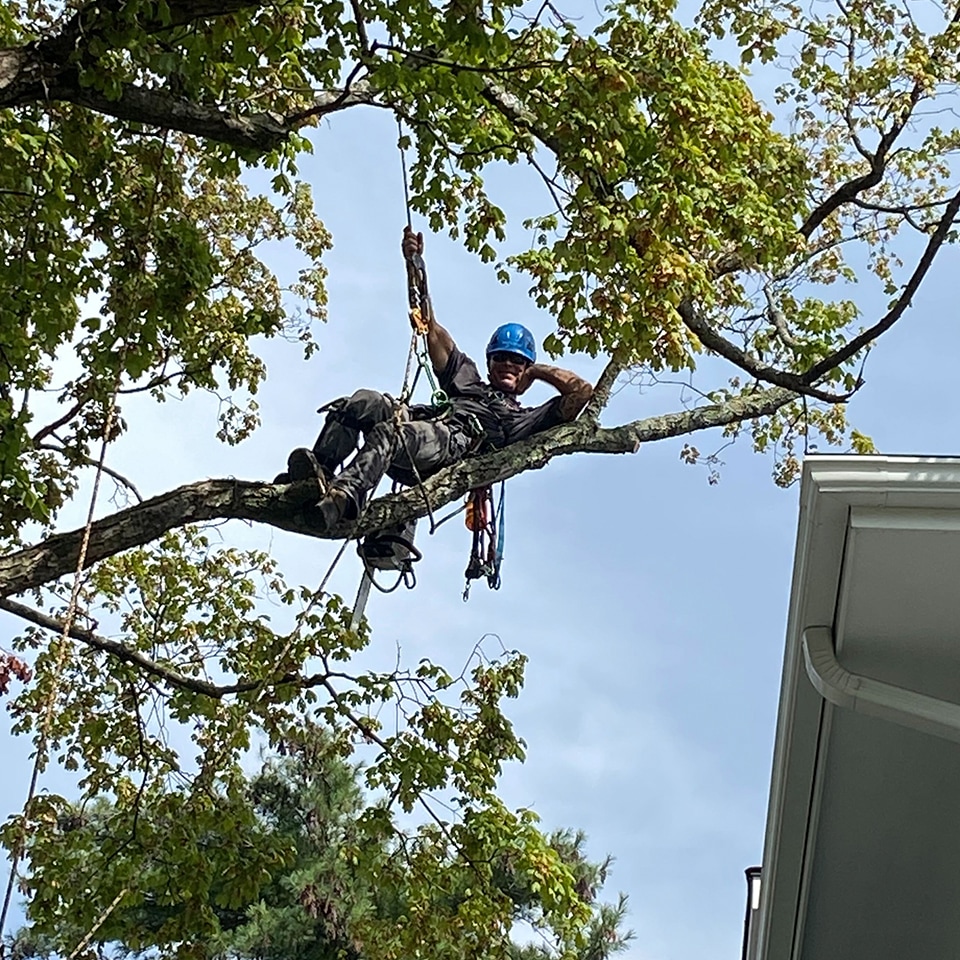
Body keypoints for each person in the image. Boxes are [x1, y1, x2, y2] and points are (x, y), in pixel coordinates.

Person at [275, 229, 594, 526]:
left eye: (518, 361)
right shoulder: (467, 380)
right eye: (502, 358)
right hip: (420, 428)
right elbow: (428, 324)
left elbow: (581, 394)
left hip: (444, 448)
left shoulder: (521, 419)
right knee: (361, 402)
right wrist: (414, 264)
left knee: (391, 433)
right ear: (490, 362)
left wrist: (536, 372)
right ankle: (315, 477)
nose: (509, 365)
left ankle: (343, 500)